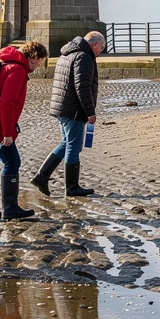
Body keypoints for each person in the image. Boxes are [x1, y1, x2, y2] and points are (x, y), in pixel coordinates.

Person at [0, 40, 48, 222]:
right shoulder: (17, 69)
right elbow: (6, 103)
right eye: (41, 61)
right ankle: (10, 208)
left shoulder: (6, 63)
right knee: (12, 162)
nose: (40, 65)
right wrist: (7, 132)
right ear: (34, 57)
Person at [33, 31, 104, 197]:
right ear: (94, 44)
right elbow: (83, 87)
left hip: (62, 107)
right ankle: (72, 187)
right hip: (73, 109)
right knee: (73, 145)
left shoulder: (66, 53)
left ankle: (41, 177)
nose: (101, 51)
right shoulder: (84, 57)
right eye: (101, 47)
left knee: (67, 143)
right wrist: (90, 112)